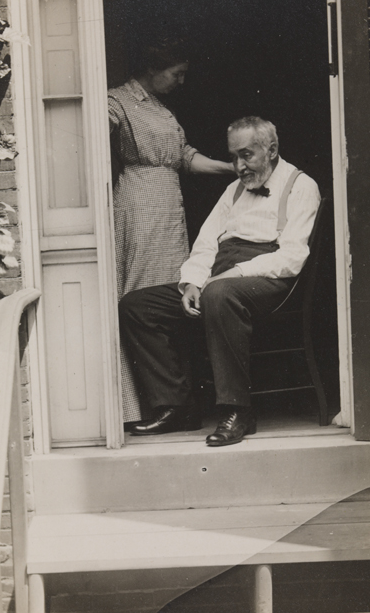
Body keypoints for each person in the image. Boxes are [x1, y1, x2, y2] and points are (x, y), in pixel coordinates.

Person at [119, 116, 321, 446]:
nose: (239, 166)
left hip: (267, 279)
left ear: (271, 150)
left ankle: (237, 411)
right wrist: (192, 283)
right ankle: (177, 406)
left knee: (221, 295)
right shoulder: (233, 190)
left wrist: (232, 275)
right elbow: (207, 243)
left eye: (246, 155)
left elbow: (291, 258)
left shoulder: (301, 186)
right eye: (233, 157)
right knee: (137, 306)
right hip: (219, 277)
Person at [108, 39, 235, 421]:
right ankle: (151, 403)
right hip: (141, 205)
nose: (181, 82)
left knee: (173, 297)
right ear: (152, 68)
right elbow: (89, 127)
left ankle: (176, 401)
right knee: (143, 296)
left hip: (168, 208)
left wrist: (233, 169)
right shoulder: (117, 100)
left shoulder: (163, 109)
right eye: (176, 74)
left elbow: (186, 158)